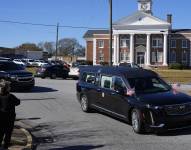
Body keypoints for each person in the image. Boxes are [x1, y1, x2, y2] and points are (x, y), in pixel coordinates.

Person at [0, 79, 20, 149]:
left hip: (1, 117)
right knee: (8, 133)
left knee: (1, 132)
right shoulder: (11, 96)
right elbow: (18, 102)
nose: (10, 88)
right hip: (9, 118)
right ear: (7, 88)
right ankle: (5, 147)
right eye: (9, 87)